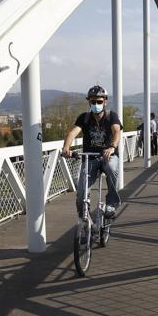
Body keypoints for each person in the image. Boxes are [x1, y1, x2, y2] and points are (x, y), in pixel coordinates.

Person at [62, 85, 122, 219]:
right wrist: (66, 148)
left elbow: (117, 131)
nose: (96, 104)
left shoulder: (111, 116)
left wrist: (112, 147)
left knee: (112, 168)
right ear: (89, 102)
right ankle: (84, 217)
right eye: (93, 102)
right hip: (90, 158)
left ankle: (111, 204)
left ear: (105, 102)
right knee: (81, 191)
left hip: (108, 156)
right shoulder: (84, 118)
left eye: (99, 102)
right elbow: (73, 133)